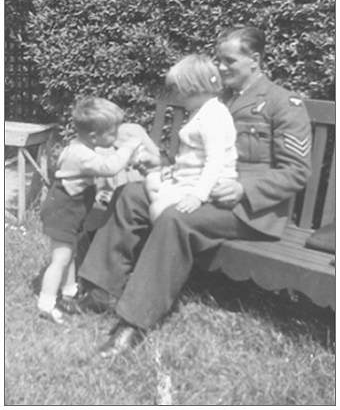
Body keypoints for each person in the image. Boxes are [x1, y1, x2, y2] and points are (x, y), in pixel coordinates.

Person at [77, 26, 312, 358]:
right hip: (202, 188)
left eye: (230, 61)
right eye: (219, 60)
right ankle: (101, 288)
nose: (221, 67)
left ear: (255, 60)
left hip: (247, 208)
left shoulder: (282, 104)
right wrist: (162, 166)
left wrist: (244, 189)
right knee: (131, 194)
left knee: (175, 219)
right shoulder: (214, 100)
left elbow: (297, 171)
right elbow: (195, 156)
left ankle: (133, 322)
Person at [38, 97, 142, 323]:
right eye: (113, 133)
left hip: (69, 209)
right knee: (61, 258)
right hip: (63, 212)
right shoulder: (80, 154)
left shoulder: (81, 146)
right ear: (95, 135)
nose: (116, 137)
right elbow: (110, 167)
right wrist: (128, 148)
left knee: (71, 253)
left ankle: (69, 292)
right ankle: (46, 304)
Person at [144, 53, 238, 222]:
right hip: (186, 178)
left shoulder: (214, 116)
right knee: (151, 179)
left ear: (193, 87)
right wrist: (174, 170)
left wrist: (198, 196)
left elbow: (215, 160)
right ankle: (164, 205)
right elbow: (193, 155)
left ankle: (159, 234)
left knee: (157, 209)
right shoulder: (200, 111)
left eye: (177, 90)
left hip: (204, 185)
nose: (175, 97)